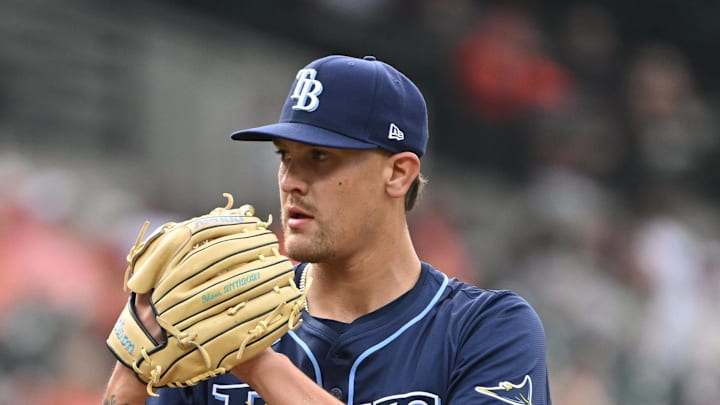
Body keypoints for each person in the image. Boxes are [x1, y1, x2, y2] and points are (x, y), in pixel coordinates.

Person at [102, 54, 552, 404]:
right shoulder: (211, 312)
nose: (290, 181)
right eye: (285, 156)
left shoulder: (487, 330)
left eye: (320, 157)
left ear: (398, 174)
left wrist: (257, 363)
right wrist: (133, 368)